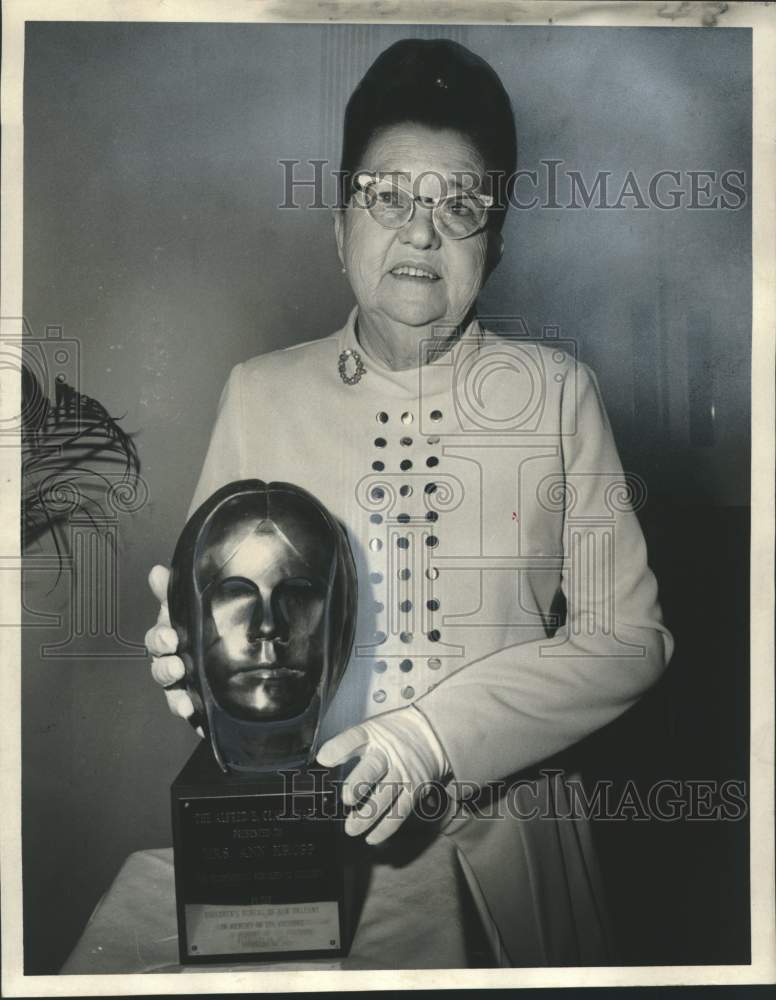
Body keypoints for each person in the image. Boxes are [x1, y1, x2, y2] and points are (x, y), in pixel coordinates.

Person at [145, 38, 673, 969]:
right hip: (307, 853)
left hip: (511, 857)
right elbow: (225, 619)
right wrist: (192, 665)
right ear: (338, 225)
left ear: (497, 241)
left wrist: (432, 739)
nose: (421, 233)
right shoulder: (260, 391)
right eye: (387, 197)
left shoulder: (558, 393)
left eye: (459, 205)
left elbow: (629, 641)